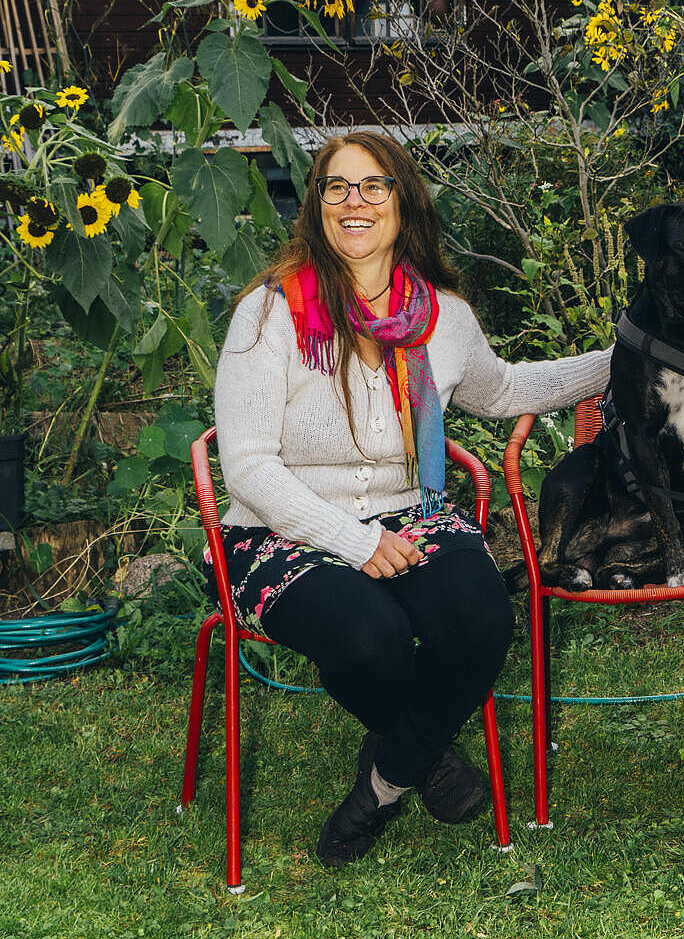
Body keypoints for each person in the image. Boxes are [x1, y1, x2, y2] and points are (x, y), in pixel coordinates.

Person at [211, 131, 611, 868]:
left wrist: (620, 362)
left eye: (373, 186)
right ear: (316, 205)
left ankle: (385, 781)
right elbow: (247, 469)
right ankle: (432, 758)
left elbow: (506, 389)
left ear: (405, 203)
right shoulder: (269, 316)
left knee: (481, 614)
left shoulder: (442, 317)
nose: (353, 202)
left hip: (410, 512)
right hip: (278, 529)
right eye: (337, 186)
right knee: (369, 636)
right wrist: (358, 544)